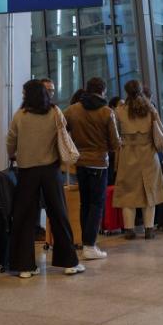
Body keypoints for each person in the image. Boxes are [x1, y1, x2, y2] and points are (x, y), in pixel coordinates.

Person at [6, 80, 84, 277]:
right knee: (59, 214)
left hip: (26, 172)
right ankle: (69, 263)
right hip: (51, 171)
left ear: (27, 96)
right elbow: (63, 134)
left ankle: (25, 266)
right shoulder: (54, 112)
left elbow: (10, 141)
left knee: (25, 218)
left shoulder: (20, 116)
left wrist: (14, 154)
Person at [64, 76, 120, 260]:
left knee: (84, 203)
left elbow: (61, 131)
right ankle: (90, 245)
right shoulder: (106, 112)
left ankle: (83, 243)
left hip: (79, 162)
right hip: (99, 163)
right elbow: (114, 142)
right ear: (103, 91)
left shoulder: (72, 110)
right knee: (97, 204)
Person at [113, 79, 163, 239]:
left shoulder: (119, 111)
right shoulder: (150, 109)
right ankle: (149, 229)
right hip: (149, 155)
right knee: (149, 192)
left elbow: (115, 134)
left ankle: (129, 230)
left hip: (127, 155)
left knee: (128, 194)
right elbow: (161, 130)